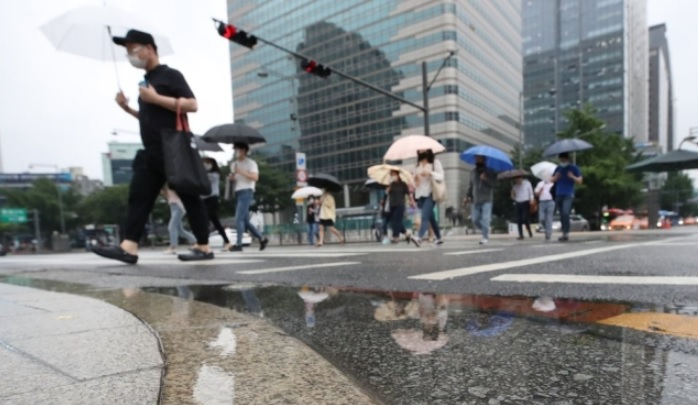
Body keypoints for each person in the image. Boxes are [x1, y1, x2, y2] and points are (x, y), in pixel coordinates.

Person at [92, 29, 212, 263]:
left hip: (173, 149)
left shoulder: (170, 75)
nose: (130, 55)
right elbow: (150, 118)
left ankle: (204, 246)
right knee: (139, 195)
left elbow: (192, 105)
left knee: (189, 195)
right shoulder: (146, 82)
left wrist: (157, 99)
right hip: (152, 151)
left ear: (150, 49)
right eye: (127, 52)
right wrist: (127, 108)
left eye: (133, 50)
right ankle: (129, 246)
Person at [228, 142, 269, 252]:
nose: (237, 152)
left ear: (245, 151)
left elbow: (255, 177)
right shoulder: (233, 164)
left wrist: (241, 171)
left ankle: (239, 244)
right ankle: (262, 238)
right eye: (235, 149)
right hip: (237, 191)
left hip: (247, 191)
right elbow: (234, 178)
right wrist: (232, 178)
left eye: (239, 150)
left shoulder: (251, 163)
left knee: (238, 218)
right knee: (244, 220)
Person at [413, 149, 444, 246]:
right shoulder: (417, 166)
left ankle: (419, 237)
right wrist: (416, 179)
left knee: (425, 216)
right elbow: (415, 183)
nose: (423, 160)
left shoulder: (435, 163)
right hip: (420, 195)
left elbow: (441, 177)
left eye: (424, 157)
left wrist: (430, 173)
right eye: (421, 157)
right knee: (431, 218)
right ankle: (439, 237)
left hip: (430, 194)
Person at [465, 155, 497, 245]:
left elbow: (495, 184)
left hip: (487, 199)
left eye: (479, 158)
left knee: (485, 219)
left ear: (484, 159)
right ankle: (485, 229)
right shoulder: (472, 172)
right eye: (476, 158)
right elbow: (470, 186)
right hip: (475, 199)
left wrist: (486, 179)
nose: (477, 160)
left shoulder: (490, 171)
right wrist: (467, 196)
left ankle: (485, 237)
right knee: (474, 219)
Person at [551, 152, 583, 242]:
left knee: (565, 212)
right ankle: (564, 233)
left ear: (567, 159)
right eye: (561, 160)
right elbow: (551, 180)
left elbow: (580, 181)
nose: (562, 161)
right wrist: (556, 177)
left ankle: (566, 232)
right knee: (561, 214)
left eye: (564, 160)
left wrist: (572, 176)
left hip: (568, 194)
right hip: (559, 193)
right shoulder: (558, 168)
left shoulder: (573, 168)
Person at [201, 158, 231, 251]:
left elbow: (203, 179)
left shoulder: (214, 175)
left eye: (208, 163)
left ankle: (204, 243)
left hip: (212, 200)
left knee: (205, 221)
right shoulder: (204, 174)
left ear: (213, 164)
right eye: (204, 163)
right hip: (204, 200)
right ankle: (227, 242)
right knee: (216, 223)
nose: (206, 165)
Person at [387, 170, 418, 245]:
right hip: (392, 205)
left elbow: (408, 193)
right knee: (394, 222)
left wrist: (412, 201)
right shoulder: (391, 184)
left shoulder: (403, 184)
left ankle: (396, 237)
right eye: (391, 175)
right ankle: (407, 234)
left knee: (397, 221)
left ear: (398, 175)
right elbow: (387, 193)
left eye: (393, 174)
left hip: (400, 204)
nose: (392, 176)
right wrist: (388, 187)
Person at [163, 186, 196, 254]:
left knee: (171, 227)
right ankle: (196, 242)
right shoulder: (165, 186)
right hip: (172, 206)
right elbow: (168, 196)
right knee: (180, 230)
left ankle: (173, 247)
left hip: (179, 206)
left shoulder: (173, 182)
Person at [511, 175, 534, 240]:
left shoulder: (527, 183)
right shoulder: (514, 186)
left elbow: (531, 192)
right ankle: (521, 234)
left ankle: (529, 230)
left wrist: (531, 199)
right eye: (516, 179)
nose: (517, 180)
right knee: (519, 220)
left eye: (518, 179)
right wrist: (512, 194)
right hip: (518, 202)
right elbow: (513, 197)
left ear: (521, 178)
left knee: (525, 218)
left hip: (526, 202)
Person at [535, 174, 556, 241]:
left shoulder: (553, 184)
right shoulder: (540, 184)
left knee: (549, 218)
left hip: (550, 201)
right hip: (542, 202)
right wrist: (540, 191)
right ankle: (547, 229)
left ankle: (548, 234)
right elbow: (536, 194)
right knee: (542, 218)